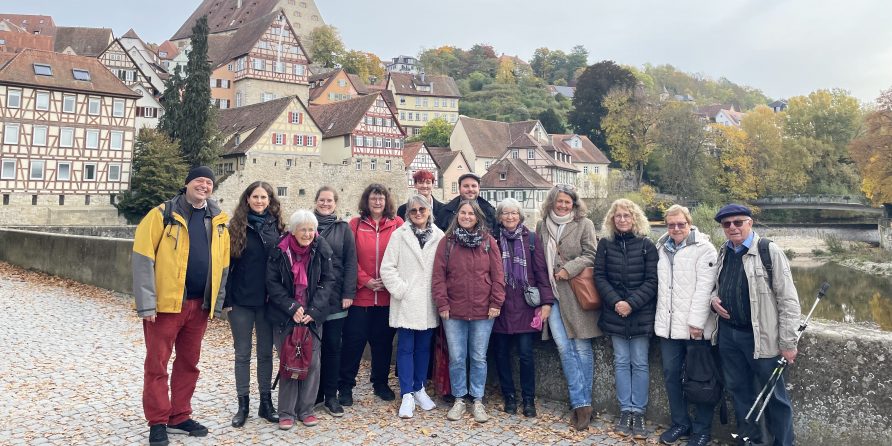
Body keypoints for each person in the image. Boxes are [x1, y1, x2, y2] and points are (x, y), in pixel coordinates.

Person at [132, 166, 230, 446]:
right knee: (157, 364)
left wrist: (216, 303)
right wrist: (146, 304)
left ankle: (180, 415)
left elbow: (223, 266)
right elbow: (142, 259)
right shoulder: (162, 214)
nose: (204, 186)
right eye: (199, 180)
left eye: (209, 182)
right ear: (187, 184)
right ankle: (158, 421)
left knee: (189, 363)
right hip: (165, 305)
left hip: (198, 306)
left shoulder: (218, 219)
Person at [710, 204, 801, 446]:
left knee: (775, 398)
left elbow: (788, 300)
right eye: (726, 224)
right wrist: (713, 301)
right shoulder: (723, 252)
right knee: (740, 393)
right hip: (729, 336)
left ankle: (783, 443)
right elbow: (716, 288)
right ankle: (751, 441)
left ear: (750, 223)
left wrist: (789, 343)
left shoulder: (768, 251)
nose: (732, 227)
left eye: (738, 222)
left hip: (763, 338)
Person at [431, 200, 505, 423]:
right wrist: (442, 304)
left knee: (479, 357)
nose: (466, 216)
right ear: (457, 216)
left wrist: (496, 302)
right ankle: (460, 399)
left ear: (477, 216)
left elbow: (498, 276)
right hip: (454, 310)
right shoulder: (448, 242)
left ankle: (478, 399)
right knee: (457, 358)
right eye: (463, 213)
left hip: (483, 310)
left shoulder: (488, 242)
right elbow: (438, 277)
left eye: (470, 213)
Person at [536, 184, 600, 430]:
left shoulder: (584, 224)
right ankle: (581, 403)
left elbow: (591, 255)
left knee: (582, 347)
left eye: (568, 202)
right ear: (552, 202)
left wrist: (568, 269)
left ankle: (583, 405)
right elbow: (539, 259)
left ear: (574, 204)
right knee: (564, 348)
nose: (563, 205)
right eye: (559, 201)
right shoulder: (542, 225)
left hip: (575, 294)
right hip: (551, 294)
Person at [654, 205, 718, 446]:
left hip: (695, 329)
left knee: (701, 379)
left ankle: (702, 429)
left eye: (681, 224)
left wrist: (696, 323)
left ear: (689, 223)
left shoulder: (705, 249)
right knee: (671, 376)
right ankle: (680, 422)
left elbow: (705, 288)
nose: (676, 228)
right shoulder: (661, 247)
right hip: (668, 327)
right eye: (671, 224)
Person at [595, 198, 658, 440]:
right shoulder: (605, 245)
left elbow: (652, 281)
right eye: (618, 216)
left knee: (640, 362)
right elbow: (599, 276)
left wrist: (631, 303)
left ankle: (639, 412)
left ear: (635, 219)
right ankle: (625, 410)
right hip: (615, 313)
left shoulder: (646, 245)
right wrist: (616, 303)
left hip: (640, 313)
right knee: (621, 361)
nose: (622, 219)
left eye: (626, 215)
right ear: (612, 219)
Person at [266, 209, 335, 430]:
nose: (307, 234)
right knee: (289, 363)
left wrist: (313, 310)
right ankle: (286, 411)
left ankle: (306, 410)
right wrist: (292, 306)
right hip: (285, 315)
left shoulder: (321, 247)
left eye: (311, 230)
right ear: (293, 231)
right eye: (303, 230)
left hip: (312, 316)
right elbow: (273, 284)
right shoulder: (280, 250)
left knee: (312, 363)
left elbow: (328, 280)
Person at [224, 182, 283, 428]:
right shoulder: (235, 227)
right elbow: (226, 266)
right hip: (240, 301)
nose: (260, 201)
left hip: (267, 301)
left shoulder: (277, 228)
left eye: (264, 197)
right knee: (242, 354)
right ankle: (243, 404)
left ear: (270, 200)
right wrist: (225, 300)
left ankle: (266, 403)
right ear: (247, 199)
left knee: (265, 355)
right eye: (255, 196)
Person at [380, 194, 445, 419]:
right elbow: (387, 268)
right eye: (414, 210)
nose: (418, 213)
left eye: (422, 210)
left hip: (428, 301)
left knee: (424, 348)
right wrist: (402, 290)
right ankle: (407, 392)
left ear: (429, 212)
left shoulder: (439, 236)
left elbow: (444, 269)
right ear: (408, 213)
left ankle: (419, 388)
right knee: (406, 347)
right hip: (406, 301)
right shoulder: (399, 236)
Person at [339, 184, 404, 404]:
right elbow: (348, 258)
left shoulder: (397, 225)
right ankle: (346, 386)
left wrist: (388, 280)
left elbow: (404, 257)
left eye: (381, 199)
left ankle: (380, 383)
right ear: (367, 201)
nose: (377, 203)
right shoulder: (355, 225)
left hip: (386, 297)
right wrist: (365, 280)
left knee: (383, 343)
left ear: (387, 202)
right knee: (353, 342)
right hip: (360, 297)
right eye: (373, 199)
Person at [492, 198, 555, 418]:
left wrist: (546, 302)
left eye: (514, 213)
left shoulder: (531, 239)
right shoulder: (493, 240)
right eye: (505, 213)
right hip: (500, 306)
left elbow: (541, 272)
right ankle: (509, 396)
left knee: (526, 355)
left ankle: (529, 399)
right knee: (501, 354)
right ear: (499, 217)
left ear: (520, 216)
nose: (510, 217)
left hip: (525, 306)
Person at [312, 186, 357, 417]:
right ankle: (314, 393)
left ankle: (330, 394)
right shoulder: (307, 225)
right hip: (311, 298)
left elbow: (351, 262)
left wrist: (349, 293)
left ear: (335, 203)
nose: (325, 203)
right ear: (316, 201)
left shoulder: (343, 229)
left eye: (329, 200)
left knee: (332, 347)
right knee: (312, 348)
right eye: (322, 200)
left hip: (337, 296)